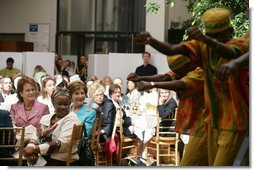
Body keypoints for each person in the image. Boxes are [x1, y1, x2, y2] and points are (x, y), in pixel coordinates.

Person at [134, 7, 248, 166]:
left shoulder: (235, 48)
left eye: (218, 36)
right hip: (212, 122)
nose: (214, 40)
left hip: (231, 121)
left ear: (230, 31)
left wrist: (151, 84)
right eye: (210, 36)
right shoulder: (203, 50)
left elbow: (182, 84)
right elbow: (172, 55)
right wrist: (150, 41)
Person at [23, 87, 81, 166]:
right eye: (59, 104)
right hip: (44, 156)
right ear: (53, 103)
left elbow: (62, 143)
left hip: (61, 160)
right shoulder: (46, 118)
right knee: (25, 160)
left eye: (66, 104)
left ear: (70, 103)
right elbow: (36, 135)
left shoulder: (73, 119)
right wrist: (31, 149)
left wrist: (34, 149)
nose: (63, 107)